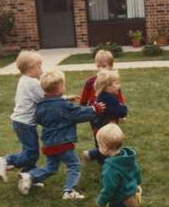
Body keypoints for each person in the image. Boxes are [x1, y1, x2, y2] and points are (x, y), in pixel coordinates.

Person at [18, 68, 105, 199]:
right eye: (63, 84)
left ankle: (29, 176)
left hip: (48, 143)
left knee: (51, 167)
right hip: (62, 142)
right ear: (59, 87)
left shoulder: (41, 105)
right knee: (74, 165)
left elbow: (39, 118)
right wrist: (95, 109)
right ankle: (69, 191)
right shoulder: (64, 106)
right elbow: (78, 114)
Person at [0, 50, 44, 182]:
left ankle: (27, 178)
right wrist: (63, 98)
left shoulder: (24, 80)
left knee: (29, 151)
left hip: (20, 121)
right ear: (30, 68)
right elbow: (46, 98)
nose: (41, 70)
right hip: (25, 124)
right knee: (32, 153)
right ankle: (4, 161)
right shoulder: (32, 83)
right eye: (39, 67)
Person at [96, 123, 142, 207]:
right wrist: (137, 182)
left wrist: (102, 200)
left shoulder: (110, 167)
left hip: (119, 199)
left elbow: (109, 188)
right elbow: (136, 171)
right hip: (132, 195)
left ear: (104, 148)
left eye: (99, 144)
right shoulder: (127, 156)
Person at [83, 70, 128, 163]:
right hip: (106, 128)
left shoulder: (101, 96)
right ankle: (91, 154)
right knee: (110, 146)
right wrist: (123, 107)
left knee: (102, 145)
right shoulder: (109, 98)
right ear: (108, 86)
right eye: (116, 83)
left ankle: (100, 160)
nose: (119, 86)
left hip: (97, 126)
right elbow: (121, 111)